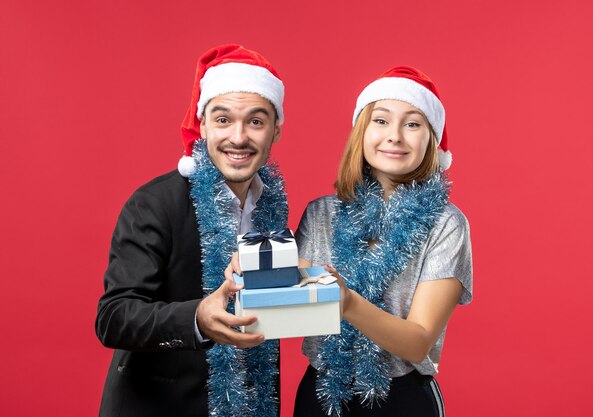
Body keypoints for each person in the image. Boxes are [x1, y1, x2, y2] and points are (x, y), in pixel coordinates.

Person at [95, 44, 288, 417]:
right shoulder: (154, 203)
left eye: (256, 121)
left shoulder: (271, 206)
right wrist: (197, 319)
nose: (238, 137)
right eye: (222, 120)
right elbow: (114, 316)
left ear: (275, 130)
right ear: (202, 125)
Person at [293, 66, 473, 417]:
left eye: (412, 123)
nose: (395, 136)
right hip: (320, 394)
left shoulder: (447, 224)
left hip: (400, 398)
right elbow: (295, 311)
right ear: (361, 131)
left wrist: (346, 302)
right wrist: (256, 275)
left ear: (431, 140)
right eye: (381, 121)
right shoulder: (320, 214)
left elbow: (418, 342)